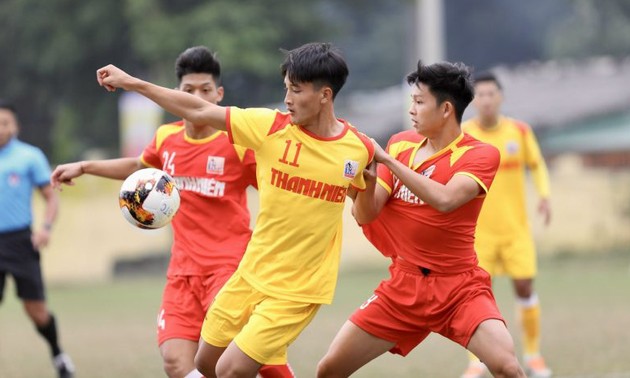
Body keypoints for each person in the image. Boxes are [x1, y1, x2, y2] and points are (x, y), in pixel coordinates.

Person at [95, 42, 374, 378]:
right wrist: (134, 83)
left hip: (298, 288)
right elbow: (198, 112)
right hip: (250, 274)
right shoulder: (269, 127)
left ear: (324, 95)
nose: (287, 99)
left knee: (232, 368)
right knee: (204, 363)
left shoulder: (358, 149)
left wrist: (372, 182)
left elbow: (366, 213)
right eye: (286, 88)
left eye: (295, 91)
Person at [51, 46, 293, 378]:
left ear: (219, 94)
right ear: (176, 94)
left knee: (241, 359)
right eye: (188, 90)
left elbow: (275, 187)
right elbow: (139, 167)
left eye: (205, 90)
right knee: (177, 362)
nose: (197, 96)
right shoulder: (167, 138)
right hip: (182, 272)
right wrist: (85, 166)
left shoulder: (236, 143)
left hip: (229, 270)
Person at [316, 61, 527, 378]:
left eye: (418, 101)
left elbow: (445, 199)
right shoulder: (401, 143)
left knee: (508, 367)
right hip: (403, 287)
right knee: (329, 369)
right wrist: (365, 180)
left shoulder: (480, 154)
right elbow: (366, 213)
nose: (411, 109)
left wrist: (385, 159)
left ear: (445, 109)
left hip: (459, 288)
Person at [460, 72, 552, 378]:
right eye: (480, 95)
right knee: (477, 297)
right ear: (474, 100)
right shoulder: (463, 134)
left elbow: (537, 166)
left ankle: (534, 356)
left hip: (516, 232)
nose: (486, 100)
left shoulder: (520, 132)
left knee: (525, 288)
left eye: (491, 94)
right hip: (478, 235)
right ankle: (477, 362)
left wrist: (545, 196)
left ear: (500, 97)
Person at [0, 100, 75, 378]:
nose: (0, 129)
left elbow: (50, 198)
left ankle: (58, 355)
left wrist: (44, 228)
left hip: (20, 241)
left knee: (37, 311)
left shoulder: (29, 156)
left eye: (4, 123)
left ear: (15, 126)